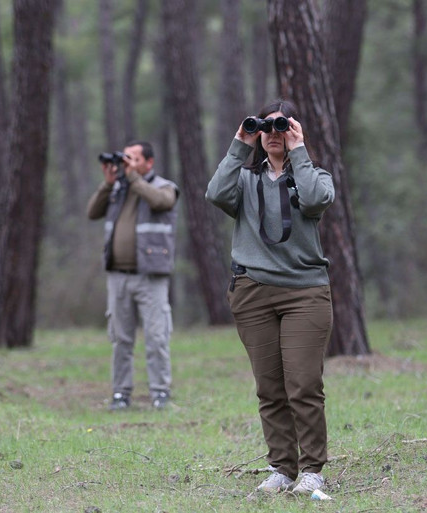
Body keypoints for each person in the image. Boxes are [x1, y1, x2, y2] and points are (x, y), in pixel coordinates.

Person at [205, 99, 335, 495]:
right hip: (253, 293)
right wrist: (240, 142)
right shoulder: (244, 180)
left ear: (295, 130)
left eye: (282, 126)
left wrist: (299, 152)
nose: (273, 134)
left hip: (305, 294)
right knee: (270, 386)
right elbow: (215, 193)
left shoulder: (316, 175)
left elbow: (314, 200)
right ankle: (282, 467)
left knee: (304, 383)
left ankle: (312, 468)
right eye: (267, 127)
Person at [87, 141, 179, 410]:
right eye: (125, 158)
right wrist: (108, 182)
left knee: (156, 336)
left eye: (133, 158)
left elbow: (162, 202)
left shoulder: (163, 186)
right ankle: (120, 394)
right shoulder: (117, 189)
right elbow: (92, 212)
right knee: (120, 339)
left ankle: (160, 392)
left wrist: (133, 178)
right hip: (118, 276)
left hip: (150, 276)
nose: (127, 163)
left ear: (149, 163)